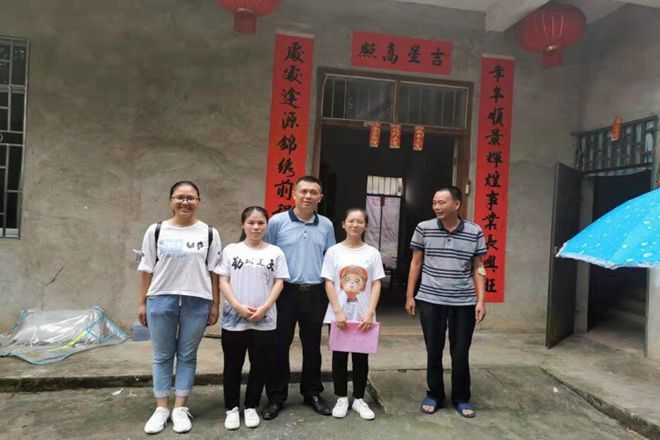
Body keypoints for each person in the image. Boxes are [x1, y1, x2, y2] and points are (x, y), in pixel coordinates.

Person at [137, 181, 221, 434]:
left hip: (198, 300)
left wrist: (215, 304)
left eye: (191, 198)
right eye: (180, 197)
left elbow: (214, 272)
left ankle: (180, 408)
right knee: (162, 355)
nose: (185, 202)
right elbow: (146, 268)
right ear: (171, 200)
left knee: (187, 355)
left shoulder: (209, 233)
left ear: (199, 201)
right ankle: (161, 408)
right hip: (161, 298)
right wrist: (142, 302)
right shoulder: (156, 231)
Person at [405, 186, 487, 418]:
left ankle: (461, 397)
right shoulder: (424, 228)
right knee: (434, 349)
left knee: (460, 352)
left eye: (441, 202)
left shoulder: (474, 231)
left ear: (457, 204)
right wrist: (410, 296)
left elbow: (478, 267)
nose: (436, 207)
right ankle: (435, 394)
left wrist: (481, 300)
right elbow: (416, 263)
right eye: (434, 203)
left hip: (463, 301)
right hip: (430, 299)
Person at [262, 175, 336, 419]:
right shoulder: (277, 222)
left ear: (320, 198)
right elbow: (266, 255)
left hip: (315, 293)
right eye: (303, 191)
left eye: (313, 192)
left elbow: (331, 259)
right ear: (293, 194)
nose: (308, 196)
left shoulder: (326, 225)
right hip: (284, 292)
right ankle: (276, 396)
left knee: (312, 346)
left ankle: (312, 392)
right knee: (278, 345)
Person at [216, 206, 289, 430]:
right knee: (232, 365)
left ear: (266, 225)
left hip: (265, 319)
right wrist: (237, 306)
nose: (256, 227)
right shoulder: (231, 250)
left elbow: (279, 281)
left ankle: (250, 406)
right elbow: (223, 280)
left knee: (260, 365)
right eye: (251, 223)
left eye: (260, 223)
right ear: (243, 224)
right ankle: (231, 408)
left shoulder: (275, 252)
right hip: (234, 319)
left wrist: (265, 307)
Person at [322, 208, 385, 420]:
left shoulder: (372, 253)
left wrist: (370, 311)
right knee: (339, 357)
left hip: (363, 313)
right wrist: (337, 311)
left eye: (360, 221)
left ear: (365, 225)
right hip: (338, 313)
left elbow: (376, 283)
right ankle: (341, 397)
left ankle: (359, 399)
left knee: (361, 358)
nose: (355, 225)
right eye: (351, 221)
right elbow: (328, 282)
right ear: (343, 224)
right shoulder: (333, 252)